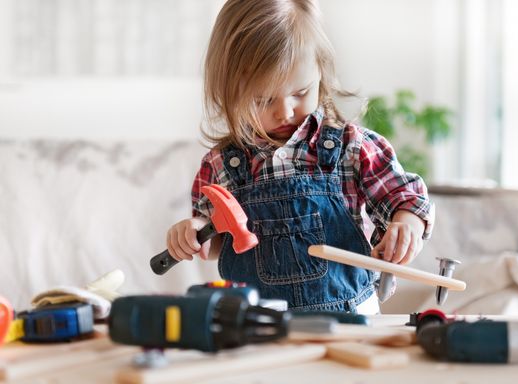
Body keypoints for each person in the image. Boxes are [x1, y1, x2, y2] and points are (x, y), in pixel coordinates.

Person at [166, 0, 434, 314]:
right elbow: (214, 245)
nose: (285, 111)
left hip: (349, 316)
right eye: (263, 100)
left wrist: (406, 226)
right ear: (229, 91)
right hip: (256, 321)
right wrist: (193, 233)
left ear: (321, 72)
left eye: (301, 92)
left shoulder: (351, 147)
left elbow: (404, 198)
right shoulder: (220, 164)